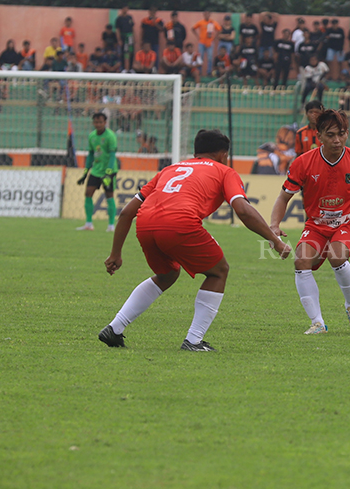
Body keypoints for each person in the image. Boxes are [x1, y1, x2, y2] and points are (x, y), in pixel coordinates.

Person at [98, 129, 292, 351]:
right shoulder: (224, 171)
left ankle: (115, 328)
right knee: (219, 271)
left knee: (167, 274)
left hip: (145, 223)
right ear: (222, 155)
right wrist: (274, 241)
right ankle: (194, 340)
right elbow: (243, 210)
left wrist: (115, 253)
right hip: (179, 223)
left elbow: (126, 213)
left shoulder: (169, 170)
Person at [269, 109, 350, 334]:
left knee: (336, 255)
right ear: (319, 136)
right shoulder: (303, 163)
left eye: (342, 133)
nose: (337, 140)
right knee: (301, 262)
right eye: (330, 135)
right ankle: (317, 322)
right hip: (316, 225)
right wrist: (274, 226)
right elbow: (283, 197)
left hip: (348, 223)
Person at [77, 112, 120, 232]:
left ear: (105, 123)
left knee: (109, 195)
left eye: (100, 122)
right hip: (96, 170)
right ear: (93, 123)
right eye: (96, 122)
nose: (98, 124)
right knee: (88, 192)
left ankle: (111, 226)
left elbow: (112, 156)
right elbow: (91, 154)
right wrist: (86, 172)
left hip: (109, 171)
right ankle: (89, 223)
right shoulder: (92, 136)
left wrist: (108, 172)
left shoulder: (110, 136)